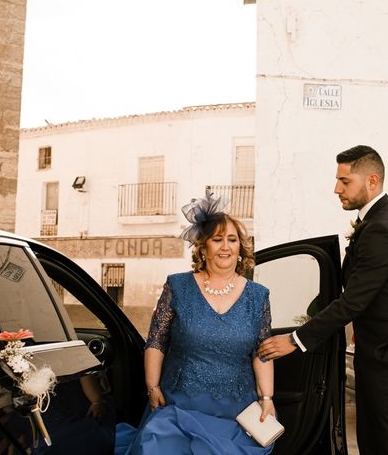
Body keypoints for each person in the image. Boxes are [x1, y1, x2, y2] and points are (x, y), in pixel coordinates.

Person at [258, 145, 388, 455]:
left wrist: (294, 339)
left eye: (345, 181)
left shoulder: (383, 229)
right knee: (374, 442)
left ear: (371, 181)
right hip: (381, 352)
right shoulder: (378, 221)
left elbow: (353, 302)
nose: (336, 189)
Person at [115, 190, 276, 454]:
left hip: (236, 410)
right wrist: (152, 386)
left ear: (241, 247)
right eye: (217, 239)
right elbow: (157, 340)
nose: (225, 246)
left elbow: (263, 352)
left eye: (232, 240)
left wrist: (266, 398)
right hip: (179, 405)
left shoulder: (258, 296)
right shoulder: (177, 286)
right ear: (203, 246)